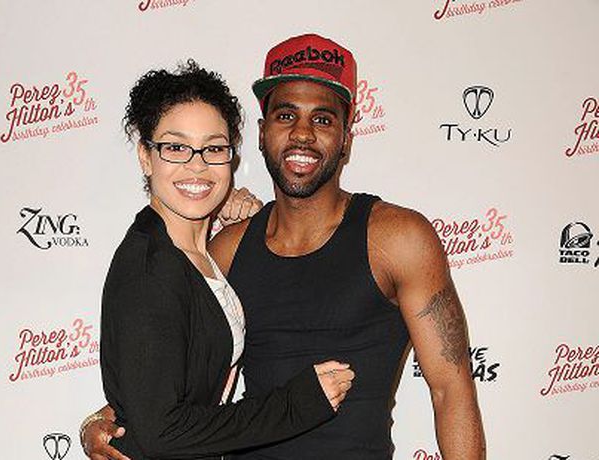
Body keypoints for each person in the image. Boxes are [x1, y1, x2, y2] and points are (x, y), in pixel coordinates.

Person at [84, 35, 485, 460]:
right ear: (262, 133)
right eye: (286, 115)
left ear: (346, 139)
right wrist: (101, 421)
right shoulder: (225, 250)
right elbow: (170, 378)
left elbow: (450, 390)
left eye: (323, 119)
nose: (302, 134)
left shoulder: (398, 238)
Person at [96, 60, 355, 460]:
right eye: (176, 147)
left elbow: (159, 386)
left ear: (230, 158)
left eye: (213, 148)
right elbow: (159, 432)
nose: (197, 165)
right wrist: (293, 406)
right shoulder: (151, 267)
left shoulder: (199, 253)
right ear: (146, 156)